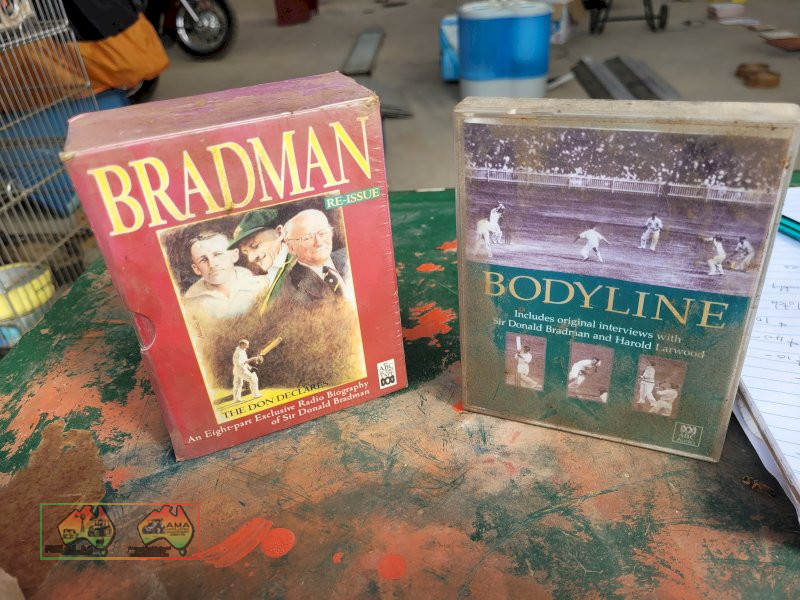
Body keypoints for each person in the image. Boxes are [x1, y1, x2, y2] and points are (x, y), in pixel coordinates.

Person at [183, 231, 269, 319]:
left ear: (234, 255)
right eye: (203, 260)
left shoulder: (262, 286)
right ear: (196, 269)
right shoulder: (190, 305)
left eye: (217, 254)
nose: (212, 264)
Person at [228, 209, 295, 313]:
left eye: (255, 246)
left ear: (279, 233)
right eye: (246, 252)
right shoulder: (263, 277)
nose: (251, 258)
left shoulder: (300, 264)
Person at [283, 209, 352, 302]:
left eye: (322, 233)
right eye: (307, 238)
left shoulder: (350, 254)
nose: (319, 243)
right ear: (291, 248)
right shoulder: (289, 289)